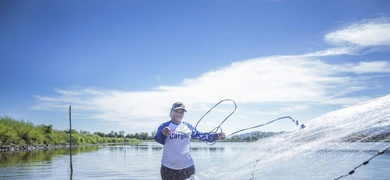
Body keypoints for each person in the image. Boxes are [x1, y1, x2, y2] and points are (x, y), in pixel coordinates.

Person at [155, 102, 225, 180]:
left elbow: (200, 135)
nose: (179, 114)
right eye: (176, 111)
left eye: (181, 112)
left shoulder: (188, 126)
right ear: (171, 112)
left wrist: (216, 136)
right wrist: (163, 132)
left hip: (187, 167)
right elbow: (158, 139)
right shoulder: (164, 126)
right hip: (168, 168)